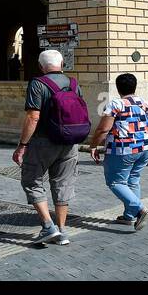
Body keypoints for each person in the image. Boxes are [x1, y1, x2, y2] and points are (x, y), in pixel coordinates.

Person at [13, 49, 88, 247]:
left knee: (31, 180)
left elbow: (33, 116)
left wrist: (22, 145)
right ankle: (62, 231)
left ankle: (48, 226)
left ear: (40, 66)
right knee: (63, 183)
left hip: (43, 142)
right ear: (62, 64)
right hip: (70, 142)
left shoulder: (38, 83)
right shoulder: (73, 83)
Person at [88, 73, 148, 229]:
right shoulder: (146, 103)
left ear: (118, 88)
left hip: (123, 149)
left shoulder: (116, 104)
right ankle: (129, 216)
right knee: (133, 179)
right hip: (147, 147)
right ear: (135, 86)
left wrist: (93, 146)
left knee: (115, 182)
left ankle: (140, 209)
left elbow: (103, 129)